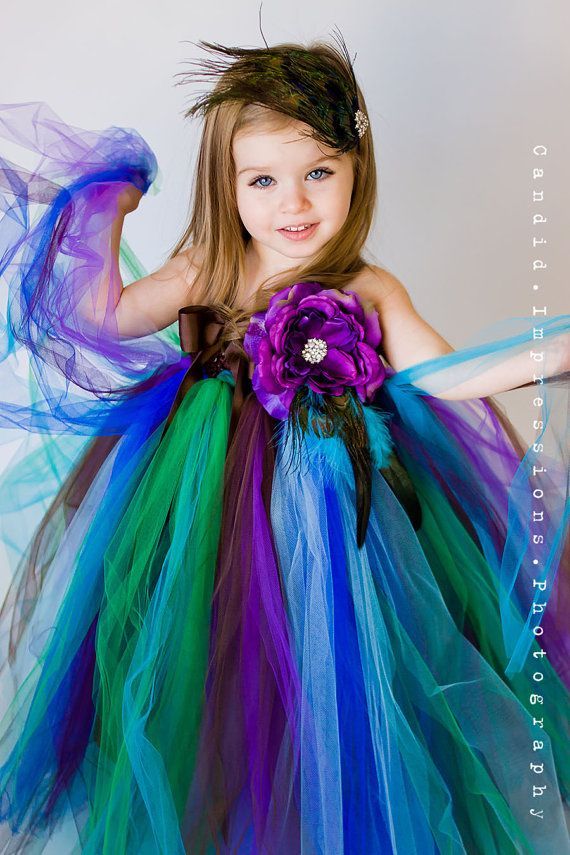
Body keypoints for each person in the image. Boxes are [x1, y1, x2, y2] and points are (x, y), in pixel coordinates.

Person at [0, 32, 568, 855]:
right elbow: (101, 319)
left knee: (337, 674)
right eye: (262, 180)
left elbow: (438, 372)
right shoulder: (207, 267)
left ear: (355, 170)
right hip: (206, 499)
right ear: (225, 186)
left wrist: (546, 356)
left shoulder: (367, 286)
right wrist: (104, 207)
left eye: (319, 173)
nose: (293, 204)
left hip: (341, 511)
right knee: (217, 672)